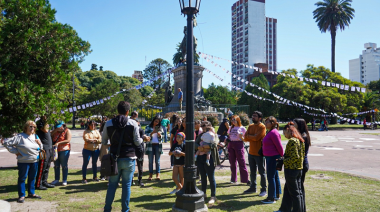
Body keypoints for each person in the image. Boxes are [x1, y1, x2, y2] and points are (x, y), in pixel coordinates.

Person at [102, 101, 142, 212]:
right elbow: (137, 142)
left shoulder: (109, 123)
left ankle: (107, 209)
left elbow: (104, 141)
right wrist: (144, 139)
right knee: (126, 186)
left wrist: (113, 144)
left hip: (114, 158)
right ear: (128, 111)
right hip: (129, 158)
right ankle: (125, 209)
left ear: (117, 110)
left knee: (112, 185)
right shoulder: (133, 123)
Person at [1, 120, 43, 203]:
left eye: (34, 127)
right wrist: (16, 151)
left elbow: (41, 147)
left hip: (34, 161)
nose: (32, 128)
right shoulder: (20, 136)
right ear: (26, 127)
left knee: (32, 178)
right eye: (30, 126)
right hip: (24, 162)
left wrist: (39, 144)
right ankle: (21, 195)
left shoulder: (35, 136)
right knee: (22, 179)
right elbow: (6, 143)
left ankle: (31, 193)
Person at [276, 122, 305, 212]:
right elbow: (301, 156)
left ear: (288, 130)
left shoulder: (292, 141)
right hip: (299, 169)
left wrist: (282, 161)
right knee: (297, 192)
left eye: (284, 132)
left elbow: (295, 157)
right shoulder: (300, 140)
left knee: (295, 194)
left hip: (291, 170)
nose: (284, 135)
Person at [195, 121, 221, 204]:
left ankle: (213, 196)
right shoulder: (201, 135)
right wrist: (199, 147)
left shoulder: (214, 135)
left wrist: (206, 146)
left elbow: (214, 144)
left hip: (210, 158)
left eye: (205, 126)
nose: (203, 127)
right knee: (203, 177)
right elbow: (195, 144)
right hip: (200, 158)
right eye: (202, 126)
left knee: (211, 177)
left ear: (210, 126)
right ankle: (203, 194)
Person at [243, 111, 267, 196]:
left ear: (260, 118)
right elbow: (245, 138)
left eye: (255, 116)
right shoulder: (250, 126)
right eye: (252, 116)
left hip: (259, 153)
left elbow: (257, 138)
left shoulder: (262, 126)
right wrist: (251, 137)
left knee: (262, 172)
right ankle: (253, 187)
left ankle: (263, 189)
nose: (253, 117)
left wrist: (250, 137)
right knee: (252, 171)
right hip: (251, 152)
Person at [261, 116, 284, 204]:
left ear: (273, 123)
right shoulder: (270, 132)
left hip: (273, 157)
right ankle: (276, 194)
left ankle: (271, 197)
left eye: (267, 122)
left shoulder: (273, 133)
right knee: (274, 176)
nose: (265, 124)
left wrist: (281, 157)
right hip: (270, 157)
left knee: (270, 177)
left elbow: (279, 146)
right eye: (265, 122)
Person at [225, 115, 249, 185]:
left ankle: (245, 179)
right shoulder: (230, 128)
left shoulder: (242, 128)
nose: (233, 121)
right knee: (232, 162)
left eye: (234, 120)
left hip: (239, 144)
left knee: (241, 162)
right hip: (231, 145)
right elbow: (229, 136)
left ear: (238, 120)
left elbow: (246, 138)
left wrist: (241, 138)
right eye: (232, 120)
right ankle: (233, 179)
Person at [293, 118, 310, 212]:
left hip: (302, 164)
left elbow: (301, 152)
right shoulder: (300, 135)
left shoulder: (303, 136)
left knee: (299, 188)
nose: (292, 125)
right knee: (299, 188)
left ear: (299, 125)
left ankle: (301, 209)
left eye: (294, 124)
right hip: (301, 163)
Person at [35, 116, 55, 190]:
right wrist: (45, 121)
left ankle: (44, 181)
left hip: (49, 147)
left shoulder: (47, 123)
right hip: (43, 149)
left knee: (47, 166)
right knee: (42, 167)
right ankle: (38, 183)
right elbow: (45, 130)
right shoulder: (40, 123)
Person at [51, 121, 71, 186]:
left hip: (64, 150)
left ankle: (64, 180)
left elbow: (68, 140)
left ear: (63, 125)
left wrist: (58, 143)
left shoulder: (67, 131)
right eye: (57, 127)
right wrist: (55, 130)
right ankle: (56, 179)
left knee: (64, 165)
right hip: (55, 150)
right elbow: (50, 135)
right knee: (56, 165)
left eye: (60, 126)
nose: (59, 128)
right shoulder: (55, 131)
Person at [131, 116, 150, 187]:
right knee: (131, 166)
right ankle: (131, 180)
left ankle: (140, 180)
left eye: (135, 122)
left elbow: (141, 138)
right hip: (132, 150)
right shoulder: (130, 130)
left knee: (140, 166)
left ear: (138, 123)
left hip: (140, 150)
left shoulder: (141, 130)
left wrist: (144, 137)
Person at [145, 116, 163, 181]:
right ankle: (150, 175)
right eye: (156, 121)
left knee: (157, 162)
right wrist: (152, 132)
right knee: (150, 161)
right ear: (153, 121)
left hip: (158, 145)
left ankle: (158, 175)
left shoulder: (160, 128)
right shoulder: (148, 127)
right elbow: (145, 135)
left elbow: (162, 138)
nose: (156, 123)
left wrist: (160, 135)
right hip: (150, 145)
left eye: (158, 122)